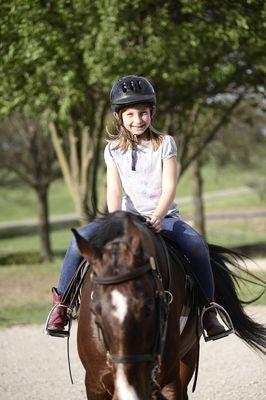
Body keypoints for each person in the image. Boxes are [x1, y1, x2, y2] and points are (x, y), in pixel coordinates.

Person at [46, 75, 226, 339]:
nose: (137, 119)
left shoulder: (165, 144)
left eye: (143, 113)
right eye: (130, 114)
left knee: (197, 245)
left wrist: (158, 215)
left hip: (163, 216)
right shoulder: (112, 151)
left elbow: (169, 187)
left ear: (151, 112)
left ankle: (208, 309)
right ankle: (62, 305)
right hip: (125, 218)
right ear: (119, 117)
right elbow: (114, 189)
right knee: (77, 242)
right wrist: (115, 220)